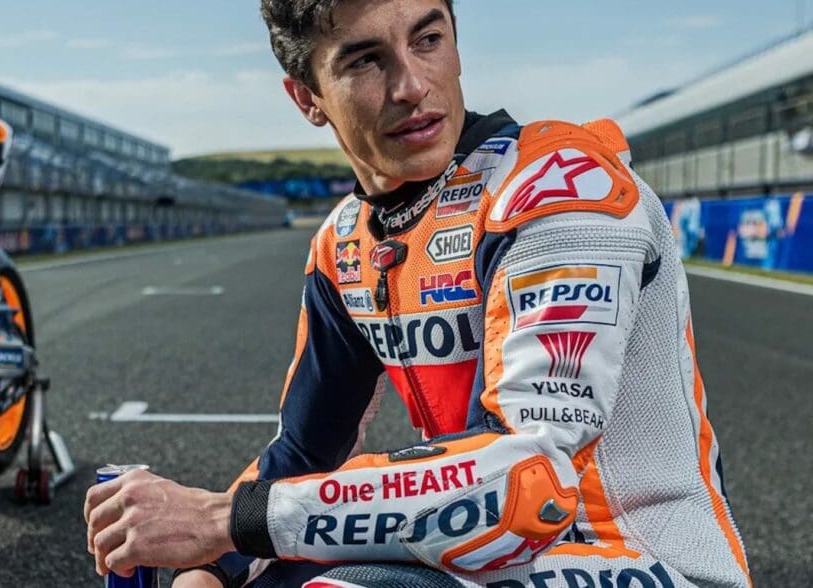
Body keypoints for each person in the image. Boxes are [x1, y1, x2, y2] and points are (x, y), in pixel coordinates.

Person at [84, 1, 754, 586]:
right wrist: (213, 564)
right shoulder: (342, 241)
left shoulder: (560, 188)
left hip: (636, 562)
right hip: (472, 557)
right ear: (307, 98)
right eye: (366, 61)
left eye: (428, 40)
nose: (411, 85)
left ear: (456, 41)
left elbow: (529, 482)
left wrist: (221, 520)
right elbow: (304, 453)